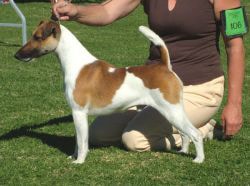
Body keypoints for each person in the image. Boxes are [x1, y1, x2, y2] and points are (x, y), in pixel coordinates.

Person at [51, 0, 245, 151]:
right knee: (98, 135)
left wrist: (234, 104)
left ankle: (202, 129)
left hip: (199, 87)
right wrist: (76, 10)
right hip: (150, 86)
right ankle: (185, 124)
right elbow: (108, 11)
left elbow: (235, 47)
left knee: (135, 140)